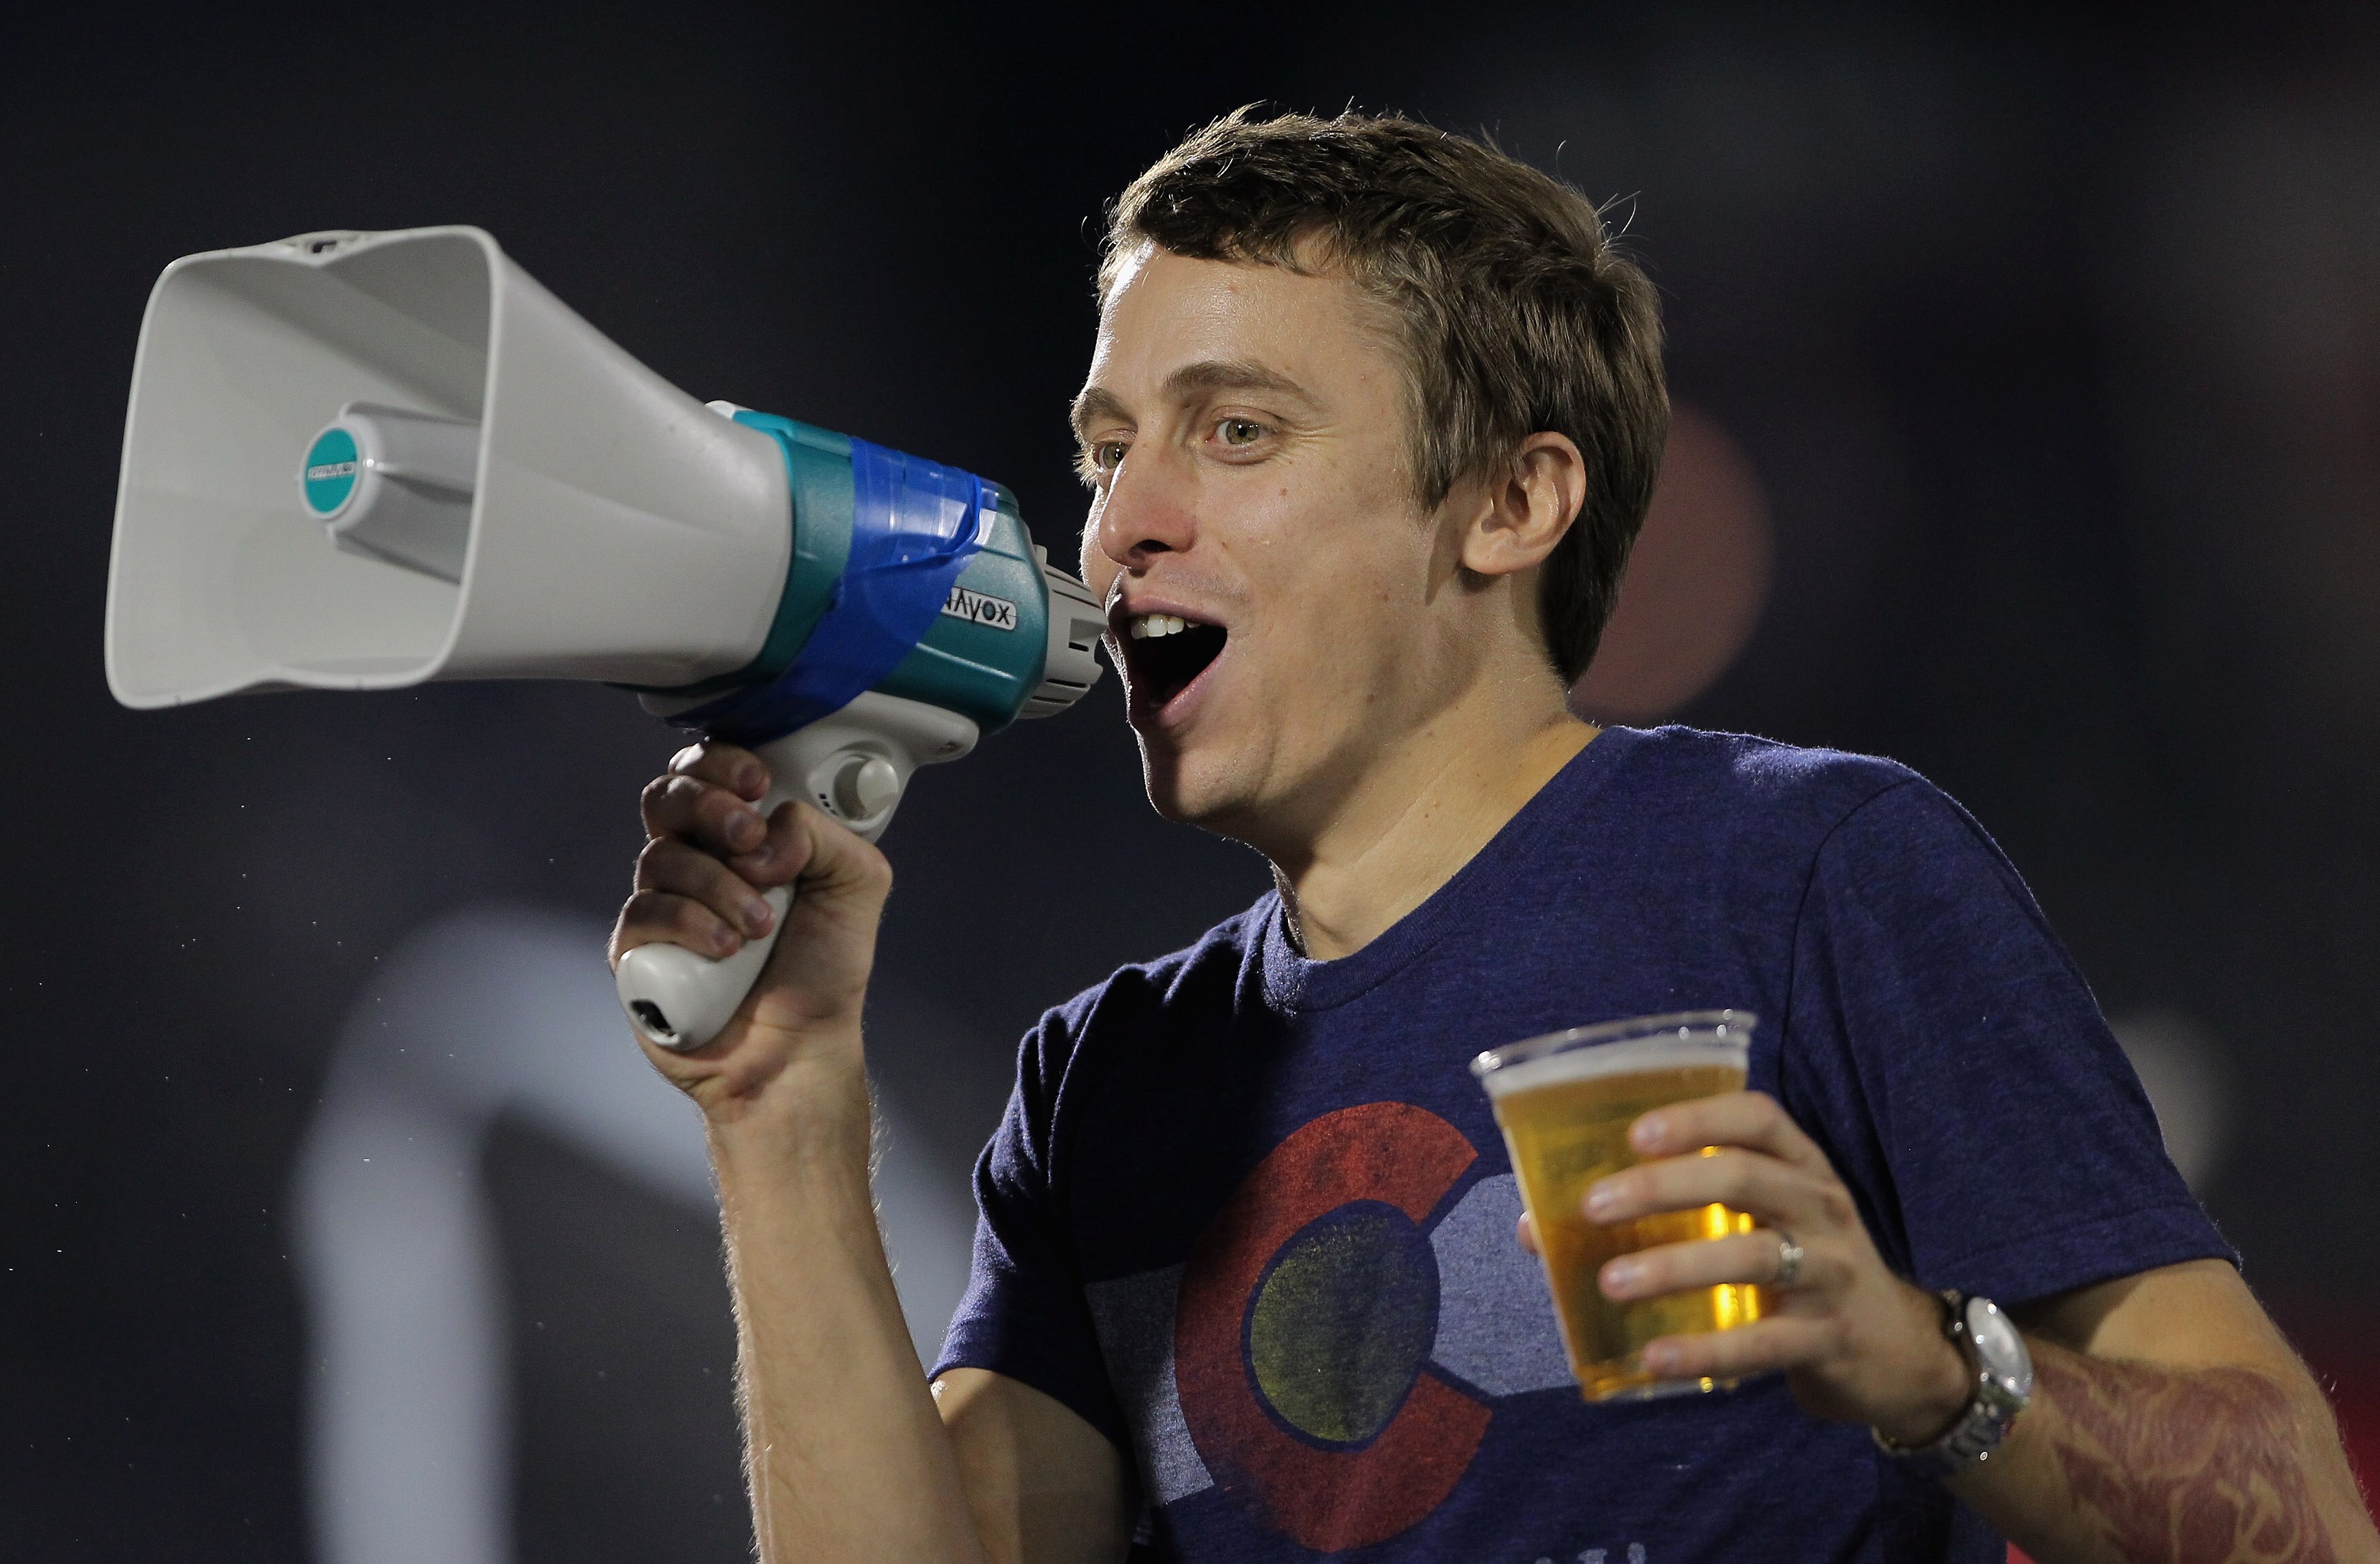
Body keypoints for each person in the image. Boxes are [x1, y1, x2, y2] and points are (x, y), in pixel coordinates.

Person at [611, 109, 2378, 1563]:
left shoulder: (1811, 872)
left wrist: (1927, 1370)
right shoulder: (1107, 1078)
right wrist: (780, 1105)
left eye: (1235, 430)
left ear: (1515, 500)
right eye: (1105, 446)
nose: (1124, 523)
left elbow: (2299, 1521)